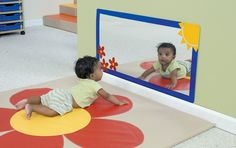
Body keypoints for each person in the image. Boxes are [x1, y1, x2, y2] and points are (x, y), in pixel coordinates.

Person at [15, 56, 128, 119]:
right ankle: (31, 107)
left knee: (42, 99)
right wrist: (118, 103)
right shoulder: (95, 85)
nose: (102, 71)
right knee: (52, 112)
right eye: (100, 69)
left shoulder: (83, 79)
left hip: (61, 92)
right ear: (92, 75)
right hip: (66, 100)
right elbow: (107, 96)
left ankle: (26, 100)